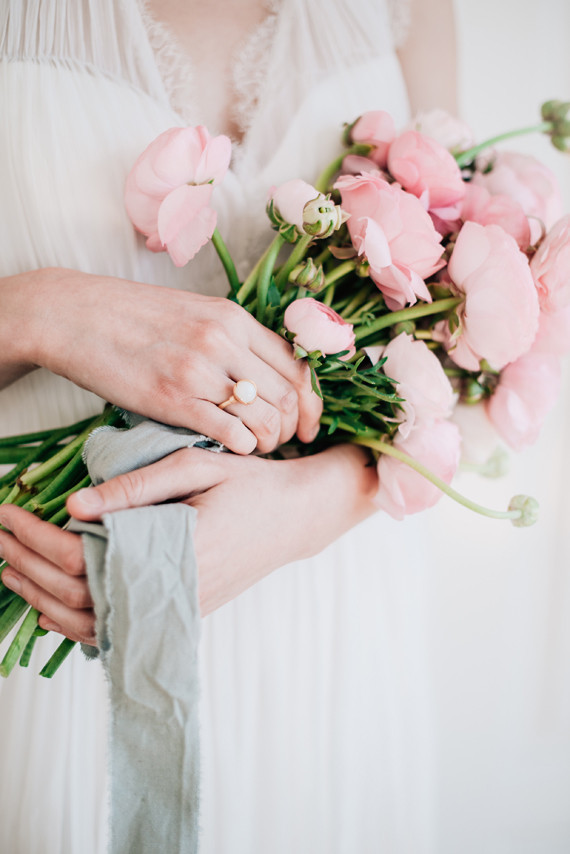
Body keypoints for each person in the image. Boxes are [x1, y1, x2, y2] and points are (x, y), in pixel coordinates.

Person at [0, 1, 456, 851]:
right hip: (57, 622)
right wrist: (38, 314)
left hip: (338, 635)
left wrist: (311, 507)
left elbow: (456, 348)